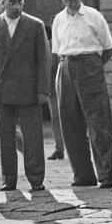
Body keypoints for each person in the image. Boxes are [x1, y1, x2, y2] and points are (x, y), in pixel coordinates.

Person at [0, 0, 51, 192]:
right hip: (1, 89)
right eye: (12, 2)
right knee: (6, 138)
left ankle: (36, 179)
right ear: (2, 3)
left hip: (29, 89)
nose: (17, 5)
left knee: (33, 138)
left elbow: (44, 60)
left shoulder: (35, 25)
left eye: (20, 1)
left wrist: (43, 89)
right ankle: (8, 179)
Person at [51, 0, 112, 188]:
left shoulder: (93, 16)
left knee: (98, 122)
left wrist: (92, 67)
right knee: (70, 123)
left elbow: (108, 48)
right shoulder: (58, 19)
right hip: (65, 67)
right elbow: (56, 51)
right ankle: (83, 174)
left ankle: (106, 174)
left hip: (90, 67)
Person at [44, 24, 65, 161]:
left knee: (58, 121)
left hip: (54, 90)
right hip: (57, 89)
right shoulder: (55, 46)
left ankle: (59, 149)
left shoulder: (49, 48)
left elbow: (51, 68)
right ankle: (60, 148)